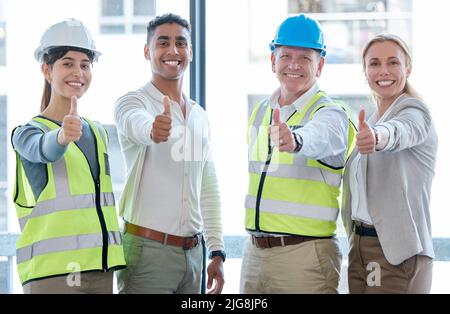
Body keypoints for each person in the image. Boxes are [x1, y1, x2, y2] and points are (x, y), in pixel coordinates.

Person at [240, 13, 356, 294]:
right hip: (255, 254)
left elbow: (323, 136)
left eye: (305, 58)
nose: (294, 65)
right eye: (286, 55)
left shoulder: (330, 113)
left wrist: (296, 140)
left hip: (304, 258)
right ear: (272, 61)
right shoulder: (261, 112)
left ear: (321, 65)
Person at [11, 18, 126, 294]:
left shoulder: (98, 133)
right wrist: (61, 137)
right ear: (46, 70)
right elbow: (43, 149)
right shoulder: (26, 133)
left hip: (101, 270)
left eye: (85, 64)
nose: (78, 72)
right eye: (67, 63)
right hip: (53, 275)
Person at [114, 13, 225, 294]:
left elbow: (207, 188)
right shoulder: (132, 101)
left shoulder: (199, 115)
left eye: (180, 43)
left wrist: (217, 251)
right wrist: (152, 129)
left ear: (190, 51)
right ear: (146, 51)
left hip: (194, 254)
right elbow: (134, 121)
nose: (173, 51)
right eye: (163, 43)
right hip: (148, 253)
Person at [342, 34, 438, 294]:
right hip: (361, 248)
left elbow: (400, 131)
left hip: (395, 253)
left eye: (393, 62)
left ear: (408, 68)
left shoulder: (415, 111)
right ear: (365, 72)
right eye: (374, 64)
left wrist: (377, 137)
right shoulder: (371, 120)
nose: (383, 71)